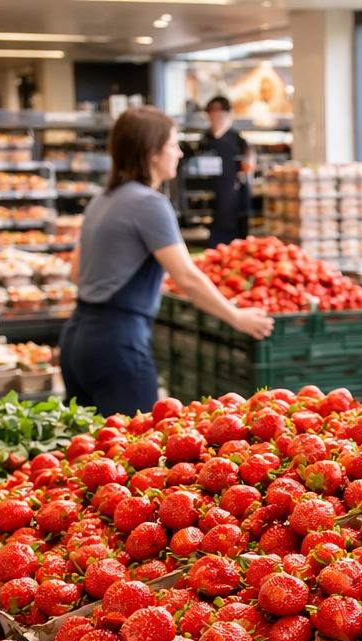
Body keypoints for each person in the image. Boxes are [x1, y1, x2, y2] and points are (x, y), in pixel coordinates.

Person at [61, 107, 271, 416]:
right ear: (152, 152)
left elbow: (77, 273)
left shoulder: (101, 199)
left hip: (77, 339)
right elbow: (186, 276)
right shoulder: (150, 203)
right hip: (118, 344)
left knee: (88, 451)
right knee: (135, 449)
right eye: (173, 144)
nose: (180, 153)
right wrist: (237, 317)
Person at [199, 95, 254, 247]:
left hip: (233, 195)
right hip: (210, 195)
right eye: (212, 111)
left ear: (228, 114)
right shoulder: (204, 139)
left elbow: (248, 164)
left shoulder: (238, 139)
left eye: (220, 111)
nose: (216, 115)